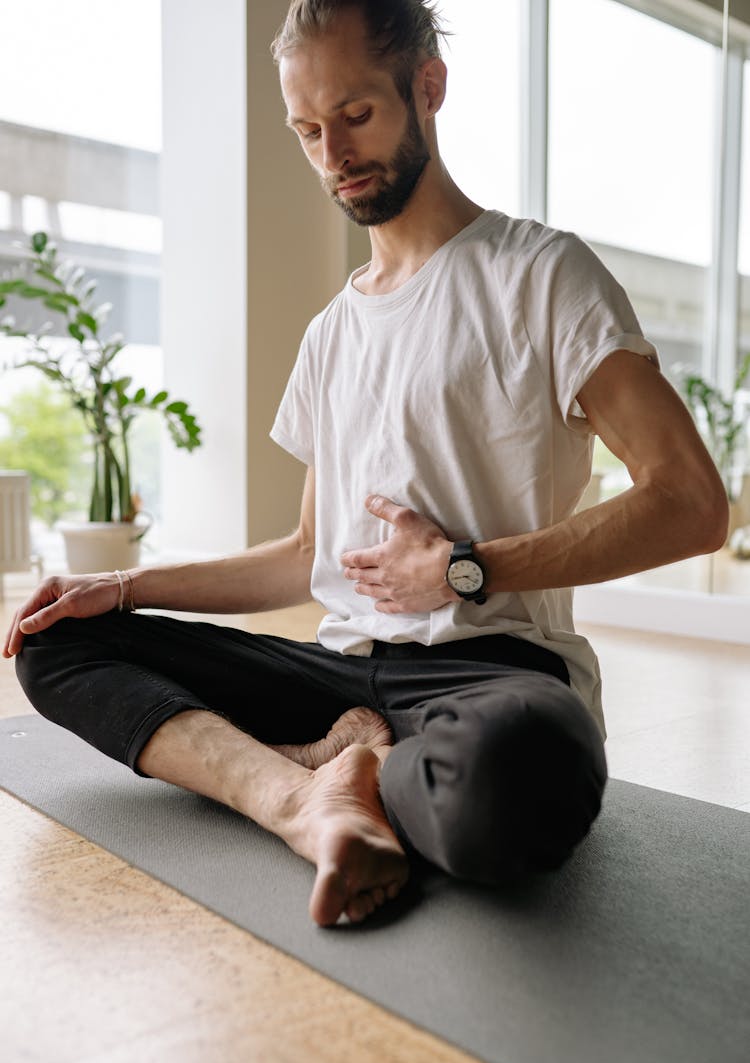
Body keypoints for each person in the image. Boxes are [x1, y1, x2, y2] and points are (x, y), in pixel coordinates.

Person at [4, 0, 727, 927]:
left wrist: (469, 566)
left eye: (355, 116)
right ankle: (302, 794)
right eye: (308, 131)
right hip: (336, 672)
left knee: (525, 769)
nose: (333, 157)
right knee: (57, 641)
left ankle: (351, 767)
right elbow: (306, 552)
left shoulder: (542, 275)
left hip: (490, 673)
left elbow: (692, 502)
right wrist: (127, 584)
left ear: (428, 88)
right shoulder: (331, 334)